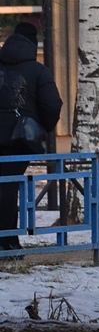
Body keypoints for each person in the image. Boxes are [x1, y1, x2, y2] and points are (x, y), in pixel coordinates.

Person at [0, 23, 62, 251]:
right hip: (21, 139)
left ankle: (7, 241)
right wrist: (41, 127)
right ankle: (8, 242)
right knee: (8, 188)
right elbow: (52, 104)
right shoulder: (38, 71)